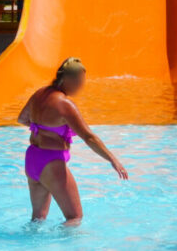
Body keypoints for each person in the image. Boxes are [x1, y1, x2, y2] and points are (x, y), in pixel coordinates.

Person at [17, 57, 128, 225]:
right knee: (74, 217)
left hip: (32, 159)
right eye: (80, 81)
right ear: (67, 80)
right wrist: (113, 159)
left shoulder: (40, 94)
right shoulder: (65, 104)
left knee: (37, 220)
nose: (81, 86)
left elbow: (22, 119)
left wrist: (44, 130)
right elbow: (89, 137)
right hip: (51, 163)